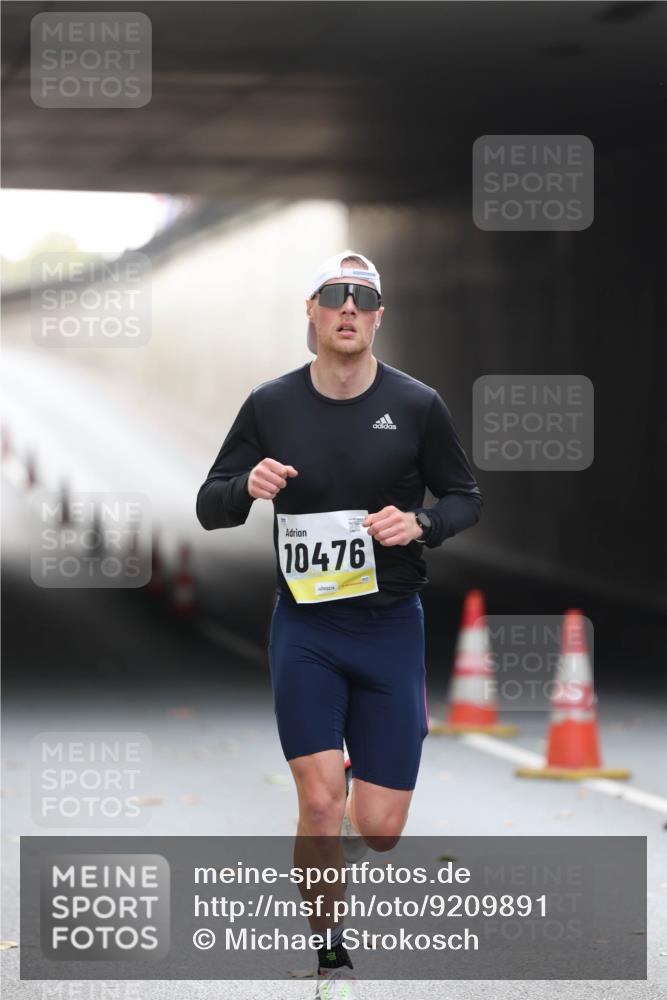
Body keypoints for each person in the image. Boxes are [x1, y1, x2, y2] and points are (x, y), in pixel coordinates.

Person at [196, 249, 482, 995]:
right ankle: (330, 957)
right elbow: (209, 504)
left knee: (378, 830)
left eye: (361, 296)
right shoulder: (271, 405)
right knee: (320, 806)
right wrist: (245, 486)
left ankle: (361, 773)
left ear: (378, 315)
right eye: (333, 295)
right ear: (312, 311)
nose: (347, 306)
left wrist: (421, 524)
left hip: (390, 628)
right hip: (307, 629)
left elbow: (465, 497)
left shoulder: (417, 405)